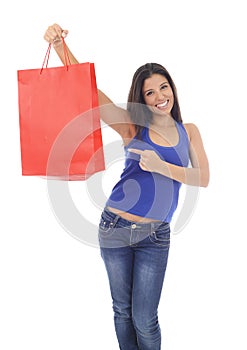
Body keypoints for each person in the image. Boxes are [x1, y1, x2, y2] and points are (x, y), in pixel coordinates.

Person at [44, 23, 210, 350]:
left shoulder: (189, 130)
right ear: (141, 98)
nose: (160, 97)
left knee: (145, 318)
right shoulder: (131, 126)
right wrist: (61, 47)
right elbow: (91, 92)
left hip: (156, 234)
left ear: (172, 90)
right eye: (150, 92)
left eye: (164, 88)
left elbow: (202, 177)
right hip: (115, 226)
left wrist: (163, 167)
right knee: (122, 311)